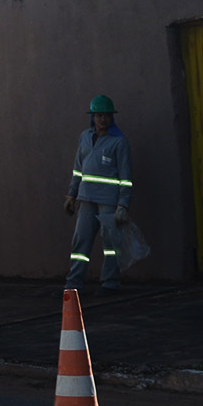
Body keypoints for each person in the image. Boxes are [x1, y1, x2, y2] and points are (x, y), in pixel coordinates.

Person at [64, 94, 131, 293]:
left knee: (110, 244)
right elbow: (78, 169)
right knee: (81, 241)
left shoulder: (119, 142)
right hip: (86, 199)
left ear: (112, 118)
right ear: (92, 117)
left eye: (106, 115)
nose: (102, 119)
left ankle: (110, 283)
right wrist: (71, 194)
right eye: (98, 115)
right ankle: (74, 283)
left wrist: (123, 204)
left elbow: (126, 177)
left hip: (109, 201)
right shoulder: (85, 137)